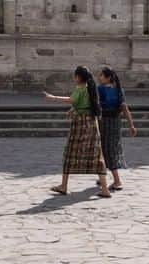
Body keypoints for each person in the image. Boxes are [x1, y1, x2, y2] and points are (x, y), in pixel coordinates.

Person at [43, 66, 111, 198]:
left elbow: (72, 100)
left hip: (80, 124)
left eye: (75, 76)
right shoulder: (91, 89)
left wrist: (53, 97)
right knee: (97, 156)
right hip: (92, 123)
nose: (74, 79)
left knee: (70, 153)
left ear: (79, 77)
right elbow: (84, 104)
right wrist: (72, 110)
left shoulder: (80, 89)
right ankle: (105, 189)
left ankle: (64, 185)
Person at [96, 66, 136, 191]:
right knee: (109, 148)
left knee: (105, 150)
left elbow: (96, 106)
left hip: (105, 123)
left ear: (108, 78)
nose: (99, 77)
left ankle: (117, 180)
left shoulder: (101, 89)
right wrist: (131, 125)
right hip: (116, 123)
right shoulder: (119, 90)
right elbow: (124, 108)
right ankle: (102, 175)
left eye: (101, 75)